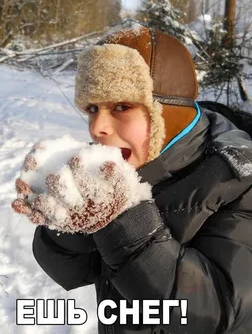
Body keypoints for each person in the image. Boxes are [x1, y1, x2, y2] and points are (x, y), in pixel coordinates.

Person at [22, 24, 252, 333]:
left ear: (167, 114)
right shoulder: (120, 163)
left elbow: (215, 313)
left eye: (121, 106)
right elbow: (76, 272)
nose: (96, 128)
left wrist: (122, 216)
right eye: (92, 108)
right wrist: (66, 219)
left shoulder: (239, 180)